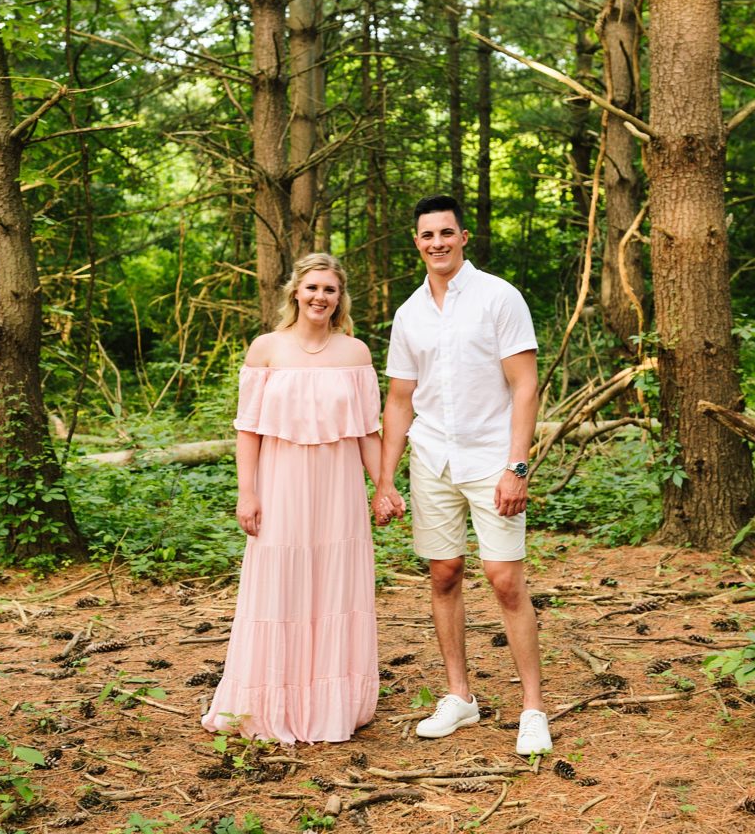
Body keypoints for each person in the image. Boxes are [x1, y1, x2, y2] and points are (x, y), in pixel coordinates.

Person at [372, 194, 551, 755]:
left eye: (446, 233)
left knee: (504, 579)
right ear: (417, 241)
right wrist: (384, 479)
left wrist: (517, 467)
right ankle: (460, 697)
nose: (437, 244)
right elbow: (400, 401)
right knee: (444, 574)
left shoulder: (499, 297)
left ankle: (533, 709)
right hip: (432, 459)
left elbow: (525, 385)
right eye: (427, 236)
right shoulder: (409, 313)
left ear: (463, 236)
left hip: (491, 458)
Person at [201, 253, 383, 744]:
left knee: (334, 584)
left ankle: (331, 704)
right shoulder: (266, 350)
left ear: (339, 298)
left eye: (330, 289)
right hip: (280, 483)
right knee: (279, 581)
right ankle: (266, 700)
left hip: (339, 487)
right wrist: (247, 493)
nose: (320, 297)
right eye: (312, 288)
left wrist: (384, 486)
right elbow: (248, 431)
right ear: (295, 294)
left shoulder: (356, 353)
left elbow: (368, 432)